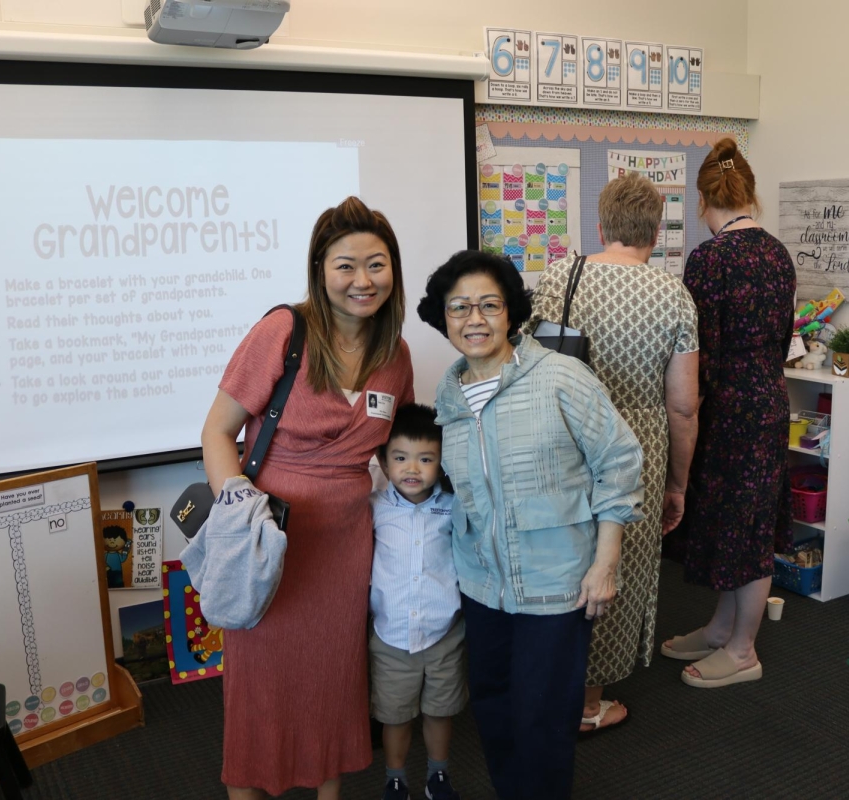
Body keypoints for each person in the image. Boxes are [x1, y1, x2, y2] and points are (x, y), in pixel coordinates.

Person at [201, 196, 414, 799]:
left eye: (376, 264)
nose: (361, 280)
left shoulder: (394, 356)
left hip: (346, 546)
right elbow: (216, 432)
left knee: (332, 679)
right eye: (345, 265)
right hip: (269, 541)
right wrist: (241, 508)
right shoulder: (282, 332)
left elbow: (390, 455)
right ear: (320, 270)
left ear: (393, 271)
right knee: (259, 685)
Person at [417, 251, 644, 800]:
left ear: (511, 311)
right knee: (493, 705)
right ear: (443, 318)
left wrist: (605, 563)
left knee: (543, 718)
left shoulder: (562, 377)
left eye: (489, 305)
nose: (475, 318)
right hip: (482, 583)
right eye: (460, 307)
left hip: (556, 584)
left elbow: (619, 463)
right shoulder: (448, 395)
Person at [527, 172, 699, 731]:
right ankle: (586, 701)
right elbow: (683, 406)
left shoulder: (558, 277)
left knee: (559, 561)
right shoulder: (673, 294)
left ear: (600, 225)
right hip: (637, 451)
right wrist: (678, 483)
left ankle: (545, 683)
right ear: (655, 231)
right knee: (612, 568)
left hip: (565, 442)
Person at [659, 138, 796, 688]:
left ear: (702, 200)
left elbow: (699, 352)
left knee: (744, 528)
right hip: (769, 398)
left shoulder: (709, 259)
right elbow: (783, 336)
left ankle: (743, 650)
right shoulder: (777, 253)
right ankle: (721, 628)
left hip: (728, 409)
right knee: (746, 522)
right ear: (748, 194)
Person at [369, 403, 465, 800]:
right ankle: (396, 778)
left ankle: (437, 776)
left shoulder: (452, 507)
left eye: (425, 459)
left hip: (444, 633)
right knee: (395, 716)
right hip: (391, 636)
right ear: (383, 460)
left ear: (441, 463)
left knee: (441, 711)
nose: (412, 468)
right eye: (401, 458)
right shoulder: (374, 508)